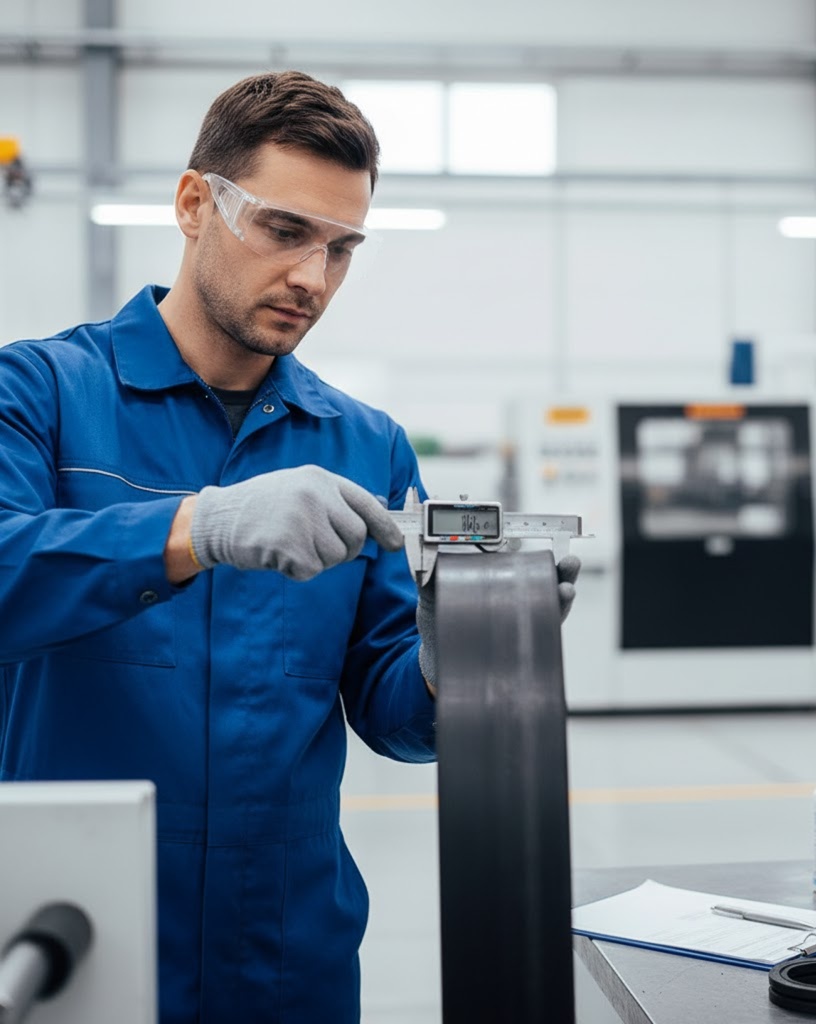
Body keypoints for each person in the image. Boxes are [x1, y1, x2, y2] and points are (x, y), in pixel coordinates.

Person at [0, 71, 578, 1023]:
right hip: (78, 929)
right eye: (284, 231)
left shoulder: (366, 445)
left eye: (342, 248)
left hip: (284, 949)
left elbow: (394, 715)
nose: (314, 277)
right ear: (195, 205)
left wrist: (461, 653)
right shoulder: (41, 395)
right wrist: (198, 528)